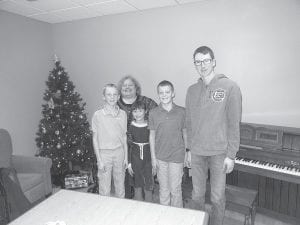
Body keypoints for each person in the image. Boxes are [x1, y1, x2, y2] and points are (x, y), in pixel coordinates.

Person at [185, 46, 242, 225]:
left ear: (214, 62)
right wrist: (188, 149)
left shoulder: (230, 87)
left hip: (219, 153)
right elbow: (189, 123)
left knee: (217, 198)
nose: (202, 65)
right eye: (198, 62)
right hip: (197, 153)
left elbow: (234, 124)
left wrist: (231, 155)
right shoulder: (191, 90)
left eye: (206, 60)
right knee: (196, 196)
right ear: (195, 64)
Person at [149, 80, 190, 208]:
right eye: (161, 92)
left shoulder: (182, 112)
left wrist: (188, 152)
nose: (164, 95)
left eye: (167, 92)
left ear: (173, 93)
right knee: (164, 190)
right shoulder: (153, 113)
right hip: (160, 157)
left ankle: (177, 218)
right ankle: (164, 216)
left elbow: (185, 133)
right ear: (158, 94)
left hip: (177, 157)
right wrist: (153, 158)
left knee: (176, 190)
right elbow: (152, 136)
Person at [117, 75, 157, 199]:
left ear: (136, 88)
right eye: (124, 85)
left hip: (145, 148)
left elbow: (157, 116)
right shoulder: (116, 104)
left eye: (130, 85)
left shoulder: (147, 102)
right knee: (130, 182)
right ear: (120, 89)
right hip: (123, 147)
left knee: (146, 180)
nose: (127, 87)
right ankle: (130, 203)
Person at [92, 83, 128, 198]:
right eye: (109, 95)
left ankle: (120, 211)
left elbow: (124, 137)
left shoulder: (123, 114)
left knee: (120, 186)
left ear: (118, 97)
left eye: (114, 95)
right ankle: (104, 212)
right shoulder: (97, 115)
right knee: (104, 187)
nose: (112, 97)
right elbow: (95, 139)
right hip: (104, 154)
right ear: (104, 97)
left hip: (119, 153)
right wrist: (99, 160)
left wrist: (126, 157)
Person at [127, 101, 153, 202]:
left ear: (145, 111)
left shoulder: (150, 126)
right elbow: (129, 145)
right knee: (137, 181)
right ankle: (138, 205)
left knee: (148, 181)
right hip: (135, 157)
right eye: (135, 111)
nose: (137, 114)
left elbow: (153, 143)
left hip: (148, 157)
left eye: (140, 111)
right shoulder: (131, 126)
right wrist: (129, 162)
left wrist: (154, 162)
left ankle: (149, 205)